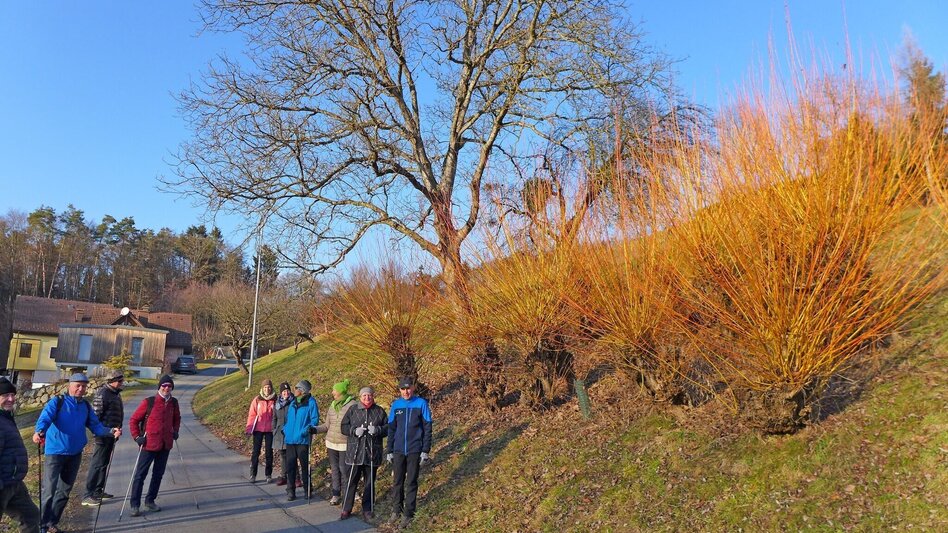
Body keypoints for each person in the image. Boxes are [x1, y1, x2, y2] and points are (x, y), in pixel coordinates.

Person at [32, 373, 121, 533]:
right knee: (49, 491)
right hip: (55, 453)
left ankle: (52, 523)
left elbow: (96, 426)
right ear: (70, 386)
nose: (81, 389)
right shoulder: (57, 402)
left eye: (84, 386)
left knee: (64, 492)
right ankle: (42, 527)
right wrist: (39, 431)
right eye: (77, 385)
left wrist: (110, 431)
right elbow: (45, 418)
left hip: (74, 454)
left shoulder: (85, 407)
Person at [127, 375, 181, 517]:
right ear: (159, 387)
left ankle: (150, 500)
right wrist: (137, 437)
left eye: (169, 386)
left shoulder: (174, 403)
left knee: (158, 475)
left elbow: (177, 419)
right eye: (164, 386)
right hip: (148, 444)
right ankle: (135, 504)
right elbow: (133, 420)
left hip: (165, 445)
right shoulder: (148, 402)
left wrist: (175, 431)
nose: (166, 388)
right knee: (140, 475)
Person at [386, 376, 432, 528]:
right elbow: (391, 428)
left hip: (414, 450)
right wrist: (389, 450)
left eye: (408, 388)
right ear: (399, 390)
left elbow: (427, 428)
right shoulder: (396, 405)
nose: (406, 391)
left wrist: (425, 450)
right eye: (403, 389)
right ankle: (396, 510)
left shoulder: (421, 403)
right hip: (398, 450)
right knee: (397, 481)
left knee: (411, 482)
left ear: (413, 388)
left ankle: (408, 513)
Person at [339, 386, 387, 521]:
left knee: (369, 482)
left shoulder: (379, 411)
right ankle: (346, 508)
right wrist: (354, 431)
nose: (367, 398)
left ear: (373, 396)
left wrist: (377, 430)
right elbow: (343, 426)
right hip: (355, 452)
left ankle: (367, 509)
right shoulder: (353, 410)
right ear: (360, 397)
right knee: (351, 481)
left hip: (372, 452)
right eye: (364, 396)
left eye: (369, 395)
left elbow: (388, 428)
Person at [0, 377, 40, 533]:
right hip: (2, 484)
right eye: (5, 395)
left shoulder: (5, 417)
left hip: (13, 482)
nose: (11, 399)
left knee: (30, 515)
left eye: (12, 394)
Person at [82, 370, 125, 506]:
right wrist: (99, 433)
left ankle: (98, 490)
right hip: (103, 434)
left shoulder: (115, 394)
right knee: (97, 464)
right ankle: (88, 494)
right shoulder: (103, 393)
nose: (121, 383)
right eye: (120, 381)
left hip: (112, 434)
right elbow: (95, 417)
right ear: (112, 381)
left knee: (104, 463)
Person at [313, 378, 355, 505]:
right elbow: (326, 426)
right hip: (331, 442)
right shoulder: (332, 405)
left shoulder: (352, 405)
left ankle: (349, 492)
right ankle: (336, 494)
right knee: (335, 469)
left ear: (341, 391)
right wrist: (314, 430)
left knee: (344, 469)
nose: (332, 392)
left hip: (344, 443)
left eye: (334, 390)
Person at [283, 380, 319, 502]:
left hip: (302, 440)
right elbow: (288, 420)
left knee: (304, 467)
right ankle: (291, 490)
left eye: (297, 388)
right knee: (290, 467)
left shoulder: (311, 403)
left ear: (302, 390)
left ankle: (307, 490)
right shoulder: (293, 403)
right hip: (290, 440)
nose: (295, 390)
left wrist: (306, 430)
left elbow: (314, 420)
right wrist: (285, 429)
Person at [246, 378, 276, 483]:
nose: (267, 389)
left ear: (271, 388)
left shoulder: (275, 400)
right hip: (258, 429)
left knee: (269, 452)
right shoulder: (257, 399)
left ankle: (268, 474)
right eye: (265, 387)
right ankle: (253, 474)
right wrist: (249, 429)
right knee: (256, 452)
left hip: (270, 430)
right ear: (262, 388)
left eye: (268, 387)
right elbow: (252, 415)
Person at [272, 382, 296, 487]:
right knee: (283, 456)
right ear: (281, 393)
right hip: (279, 434)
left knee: (292, 456)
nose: (286, 393)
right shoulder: (277, 404)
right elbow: (274, 418)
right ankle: (283, 476)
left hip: (290, 433)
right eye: (284, 391)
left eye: (287, 391)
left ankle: (296, 478)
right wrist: (274, 429)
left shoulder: (293, 403)